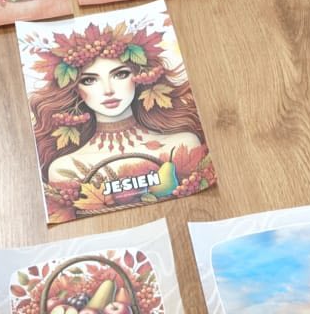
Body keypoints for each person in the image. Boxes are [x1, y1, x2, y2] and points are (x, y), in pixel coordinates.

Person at [22, 12, 215, 225]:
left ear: (140, 77)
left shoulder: (182, 145)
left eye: (120, 74)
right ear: (75, 89)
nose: (108, 90)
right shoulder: (63, 169)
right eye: (89, 80)